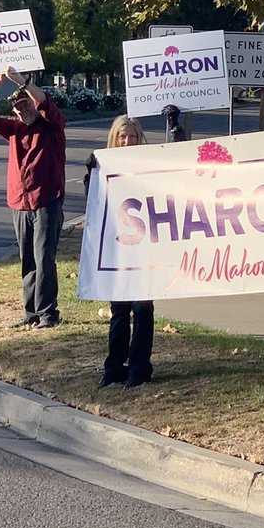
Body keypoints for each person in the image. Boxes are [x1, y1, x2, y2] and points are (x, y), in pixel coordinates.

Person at [0, 67, 67, 330]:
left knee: (44, 259)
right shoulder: (14, 129)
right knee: (27, 259)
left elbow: (45, 102)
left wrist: (23, 82)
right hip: (20, 203)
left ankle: (48, 313)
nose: (22, 111)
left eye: (26, 106)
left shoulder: (52, 125)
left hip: (47, 202)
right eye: (18, 109)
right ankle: (30, 311)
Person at [95, 115, 161, 388]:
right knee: (119, 308)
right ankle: (114, 367)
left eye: (132, 137)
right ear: (114, 139)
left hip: (144, 248)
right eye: (122, 137)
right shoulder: (102, 167)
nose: (127, 142)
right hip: (117, 248)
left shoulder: (149, 167)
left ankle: (138, 368)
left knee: (142, 308)